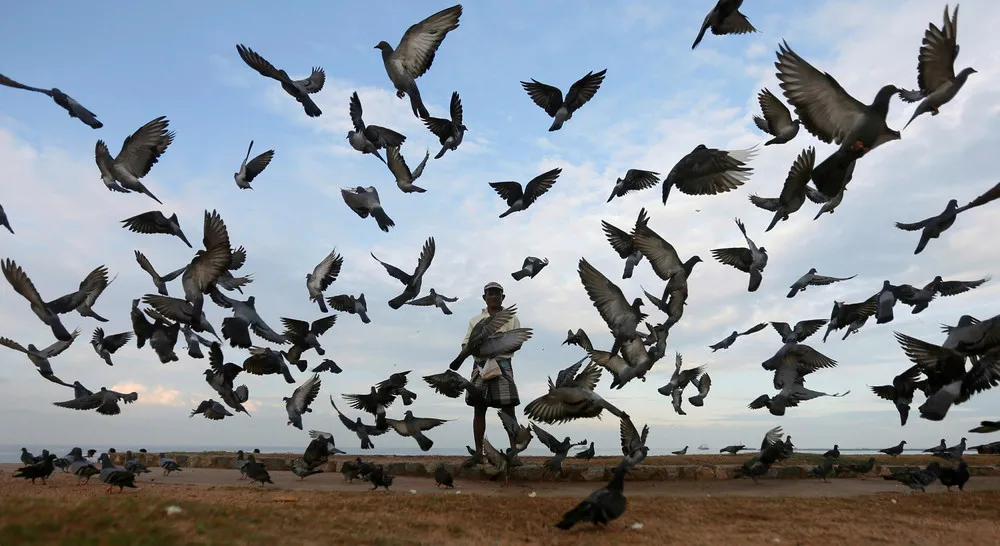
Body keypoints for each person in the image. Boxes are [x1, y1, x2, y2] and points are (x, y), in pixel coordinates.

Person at [461, 281, 523, 466]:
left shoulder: (512, 318)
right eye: (490, 293)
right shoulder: (475, 320)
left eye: (497, 293)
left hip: (503, 364)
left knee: (509, 409)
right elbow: (465, 344)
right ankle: (478, 454)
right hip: (480, 366)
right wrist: (474, 350)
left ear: (503, 297)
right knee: (479, 408)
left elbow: (518, 342)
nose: (494, 296)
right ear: (484, 297)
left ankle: (515, 453)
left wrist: (497, 344)